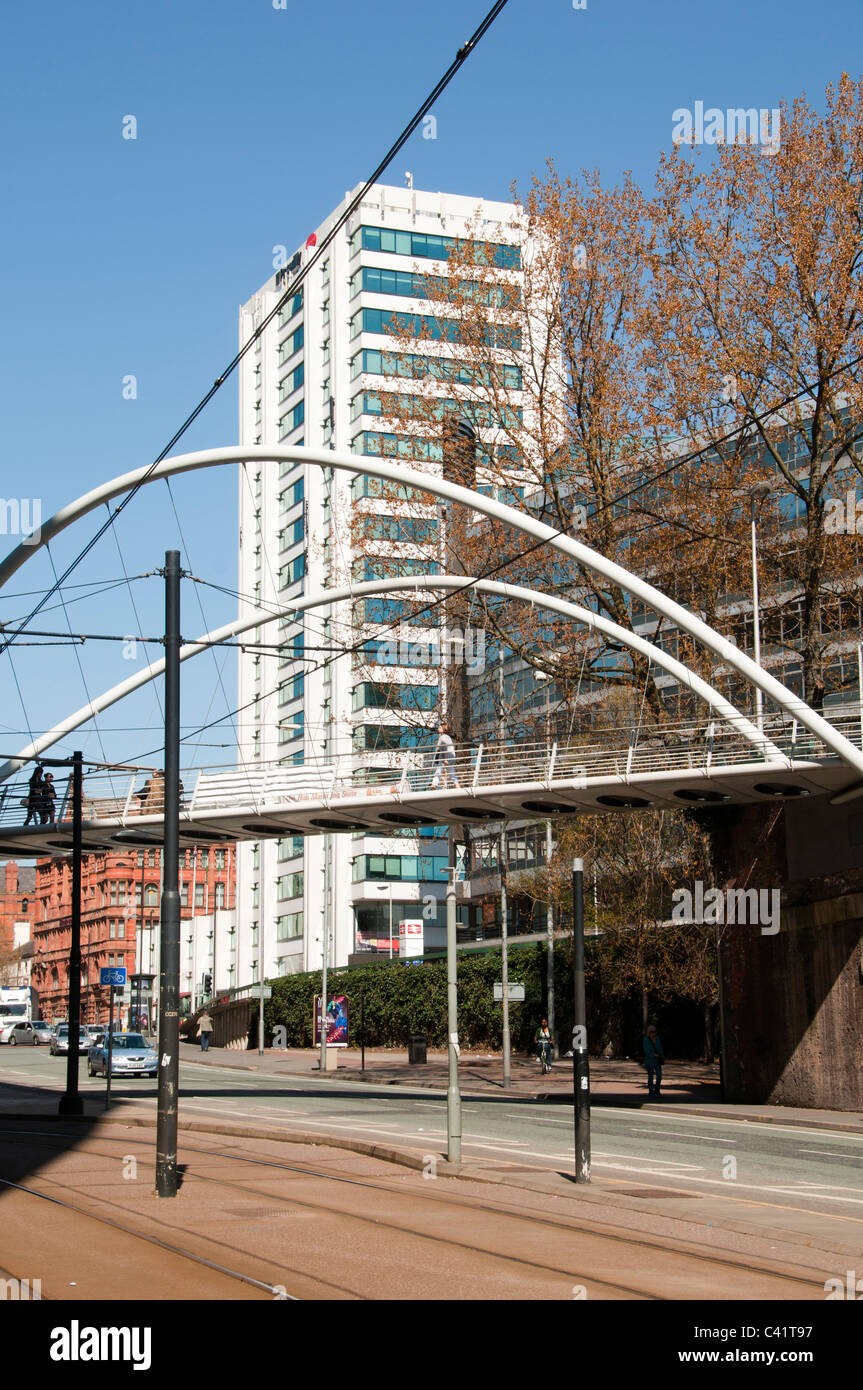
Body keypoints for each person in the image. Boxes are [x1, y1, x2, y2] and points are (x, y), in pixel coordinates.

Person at [431, 722, 460, 788]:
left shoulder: (443, 737)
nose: (438, 728)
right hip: (450, 757)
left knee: (438, 771)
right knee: (451, 772)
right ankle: (457, 784)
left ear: (444, 729)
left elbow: (445, 748)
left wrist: (445, 759)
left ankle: (434, 784)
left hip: (445, 758)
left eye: (440, 727)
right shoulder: (447, 737)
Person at [643, 1023, 665, 1098]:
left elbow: (660, 1048)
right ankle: (651, 1091)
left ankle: (657, 1090)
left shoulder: (657, 1039)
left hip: (657, 1060)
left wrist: (661, 1055)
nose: (653, 1033)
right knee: (651, 1076)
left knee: (659, 1075)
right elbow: (646, 1051)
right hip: (649, 1060)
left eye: (654, 1031)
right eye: (652, 1032)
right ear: (649, 1032)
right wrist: (654, 1055)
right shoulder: (646, 1040)